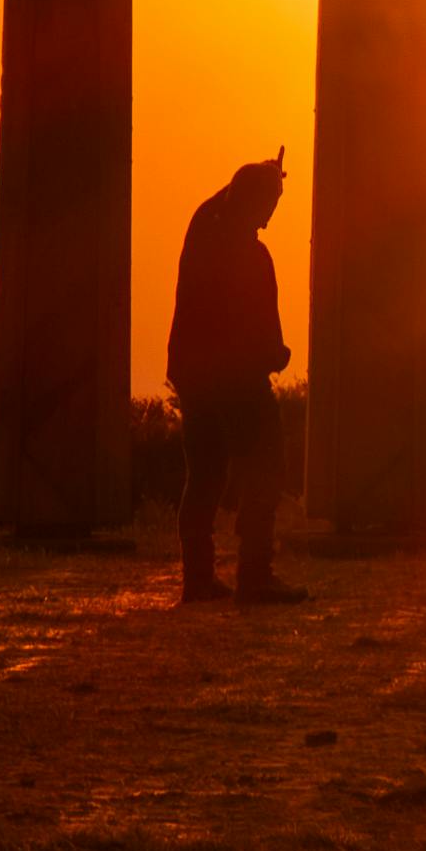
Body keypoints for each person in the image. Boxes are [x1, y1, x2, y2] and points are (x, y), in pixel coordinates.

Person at [167, 152, 294, 605]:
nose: (271, 215)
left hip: (194, 373)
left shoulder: (206, 225)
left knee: (203, 475)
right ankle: (255, 575)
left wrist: (266, 173)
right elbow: (254, 325)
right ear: (254, 199)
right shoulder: (247, 252)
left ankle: (198, 580)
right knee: (266, 467)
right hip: (236, 376)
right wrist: (274, 354)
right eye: (271, 202)